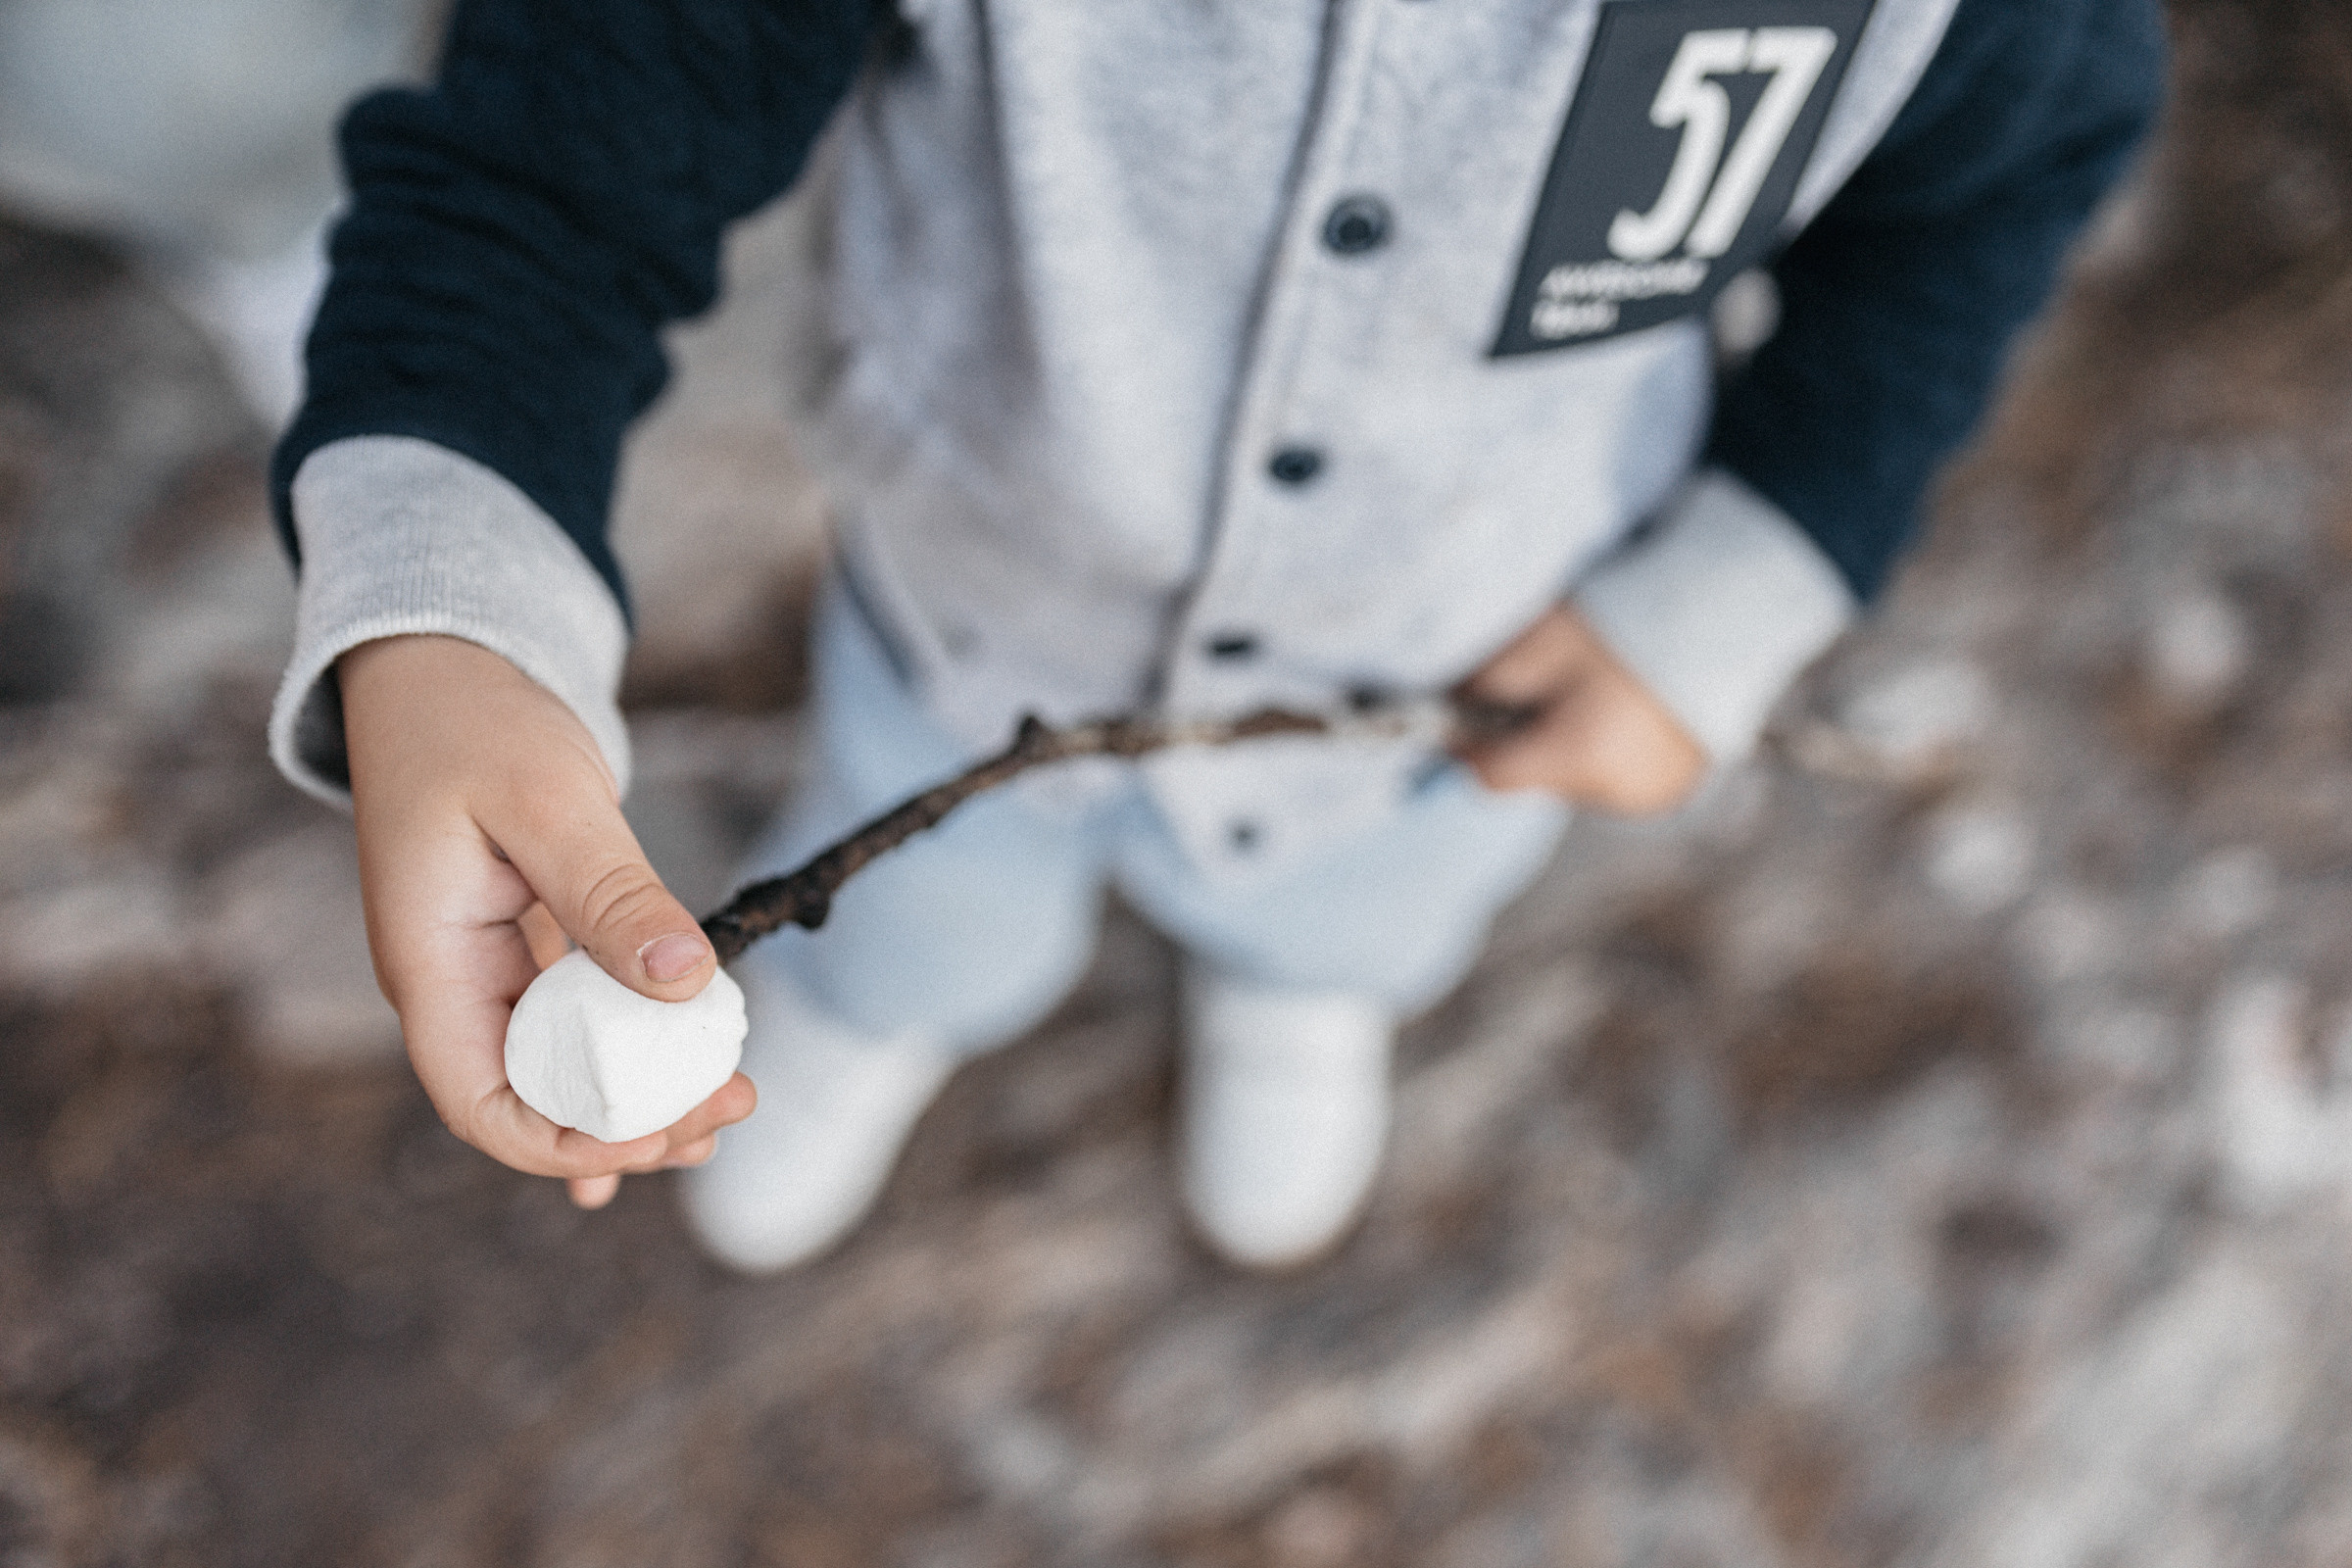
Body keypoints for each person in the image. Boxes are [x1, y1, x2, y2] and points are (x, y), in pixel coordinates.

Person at [268, 0, 2164, 1270]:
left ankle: (1290, 987)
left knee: (1364, 906)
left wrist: (1740, 578)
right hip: (971, 602)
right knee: (926, 891)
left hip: (1452, 662)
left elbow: (1988, 193)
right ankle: (872, 999)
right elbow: (553, 161)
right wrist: (457, 598)